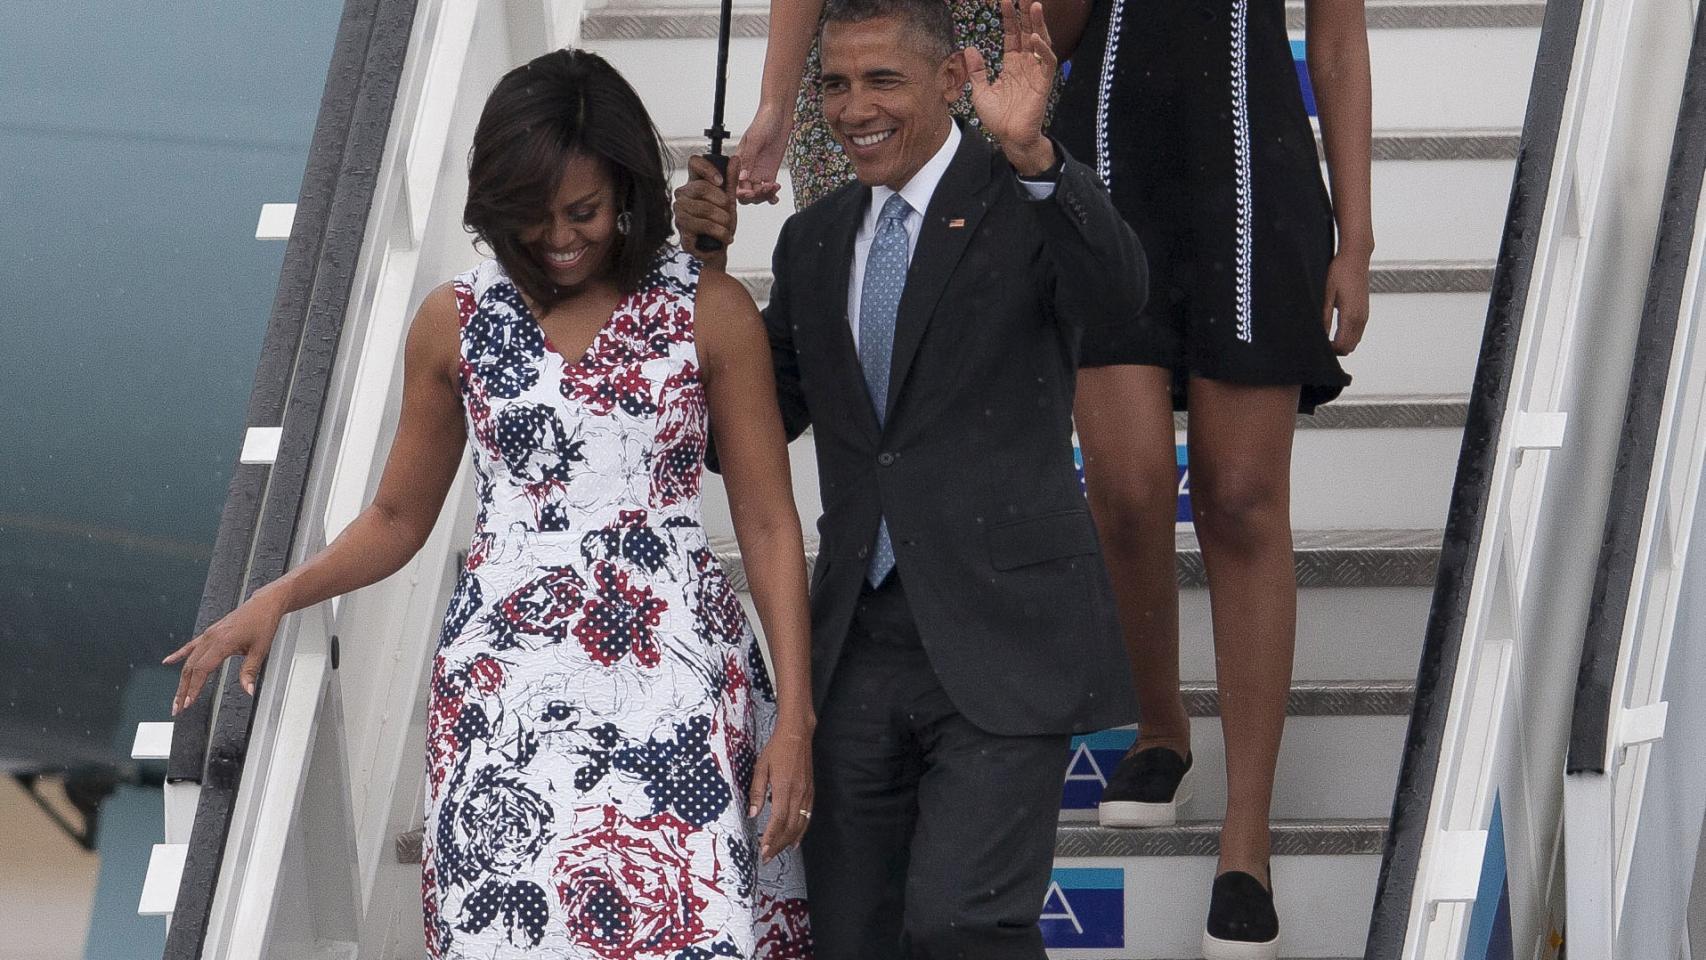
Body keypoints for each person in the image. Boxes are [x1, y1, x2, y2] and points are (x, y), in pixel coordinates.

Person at [165, 50, 815, 960]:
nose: (559, 238)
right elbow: (397, 518)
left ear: (627, 193)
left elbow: (771, 525)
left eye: (583, 211)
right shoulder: (453, 320)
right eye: (532, 215)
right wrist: (281, 593)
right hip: (501, 691)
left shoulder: (712, 311)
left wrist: (796, 718)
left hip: (676, 683)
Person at [675, 0, 1144, 957]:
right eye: (835, 85)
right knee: (855, 937)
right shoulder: (813, 241)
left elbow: (1120, 298)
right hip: (856, 646)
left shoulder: (1023, 199)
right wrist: (703, 275)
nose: (855, 109)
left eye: (882, 80)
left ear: (952, 79)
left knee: (962, 925)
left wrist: (1036, 156)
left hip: (1004, 637)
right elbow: (740, 433)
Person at [1048, 1, 1373, 957]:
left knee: (1239, 497)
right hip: (1108, 162)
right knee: (1127, 488)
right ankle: (1162, 729)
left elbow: (1338, 41)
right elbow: (1057, 30)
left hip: (1254, 164)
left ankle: (1245, 841)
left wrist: (1356, 236)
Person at [729, 0, 1088, 208]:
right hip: (855, 60)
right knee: (848, 266)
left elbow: (1060, 28)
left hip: (992, 72)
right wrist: (775, 106)